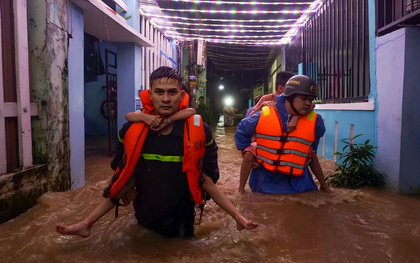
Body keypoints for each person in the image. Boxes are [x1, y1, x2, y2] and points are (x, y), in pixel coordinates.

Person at [57, 66, 258, 238]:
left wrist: (236, 216)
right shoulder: (131, 129)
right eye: (159, 92)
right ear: (150, 94)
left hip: (181, 218)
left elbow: (208, 178)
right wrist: (127, 193)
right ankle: (86, 224)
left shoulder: (198, 131)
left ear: (181, 95)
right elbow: (120, 168)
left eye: (172, 92)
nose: (165, 98)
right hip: (143, 214)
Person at [235, 75, 333, 194]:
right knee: (249, 152)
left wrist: (296, 117)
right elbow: (242, 130)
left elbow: (312, 148)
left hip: (299, 183)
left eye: (310, 99)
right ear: (289, 98)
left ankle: (324, 187)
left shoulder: (315, 120)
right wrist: (244, 152)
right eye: (303, 99)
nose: (308, 103)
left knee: (311, 154)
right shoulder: (266, 111)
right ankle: (241, 191)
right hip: (266, 179)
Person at [238, 72, 294, 193]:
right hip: (263, 142)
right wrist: (261, 106)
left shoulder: (296, 101)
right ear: (281, 88)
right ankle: (241, 190)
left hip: (287, 142)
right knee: (248, 154)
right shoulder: (267, 99)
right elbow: (247, 123)